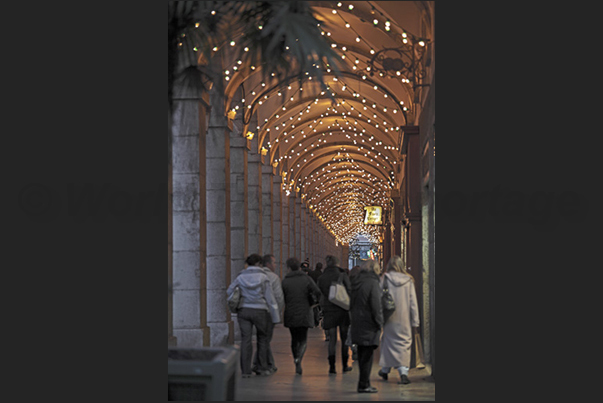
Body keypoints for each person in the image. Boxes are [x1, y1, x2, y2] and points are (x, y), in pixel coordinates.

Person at [227, 253, 280, 378]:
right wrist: (275, 316)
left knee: (246, 340)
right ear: (259, 264)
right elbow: (270, 298)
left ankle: (245, 370)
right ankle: (262, 368)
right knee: (262, 339)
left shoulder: (240, 277)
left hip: (244, 310)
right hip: (260, 311)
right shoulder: (263, 278)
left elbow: (229, 291)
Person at [377, 256, 420, 385]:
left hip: (389, 318)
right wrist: (415, 321)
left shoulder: (384, 279)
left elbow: (378, 298)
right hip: (404, 318)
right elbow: (413, 302)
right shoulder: (408, 280)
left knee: (388, 343)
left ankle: (385, 370)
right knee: (404, 345)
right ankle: (403, 372)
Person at [280, 257, 322, 375]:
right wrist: (314, 302)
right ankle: (299, 359)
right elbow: (317, 291)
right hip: (304, 311)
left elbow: (282, 296)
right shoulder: (306, 279)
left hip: (291, 312)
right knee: (303, 338)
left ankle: (295, 358)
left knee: (294, 338)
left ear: (288, 268)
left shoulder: (285, 281)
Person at [350, 259, 384, 393]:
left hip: (357, 320)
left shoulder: (356, 281)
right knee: (367, 356)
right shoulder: (373, 283)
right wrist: (380, 321)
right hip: (369, 322)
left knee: (363, 353)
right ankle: (364, 384)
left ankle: (364, 382)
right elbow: (375, 305)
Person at [317, 254, 352, 374]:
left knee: (332, 339)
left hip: (329, 310)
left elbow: (319, 292)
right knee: (344, 338)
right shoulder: (342, 275)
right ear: (337, 264)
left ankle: (332, 366)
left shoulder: (322, 277)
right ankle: (344, 364)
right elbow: (349, 290)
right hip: (342, 309)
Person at [250, 254, 284, 375]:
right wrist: (277, 313)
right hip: (269, 312)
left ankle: (267, 364)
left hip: (255, 310)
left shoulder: (255, 276)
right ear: (268, 264)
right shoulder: (273, 277)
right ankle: (261, 365)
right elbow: (279, 297)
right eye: (274, 263)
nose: (275, 265)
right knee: (265, 340)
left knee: (263, 339)